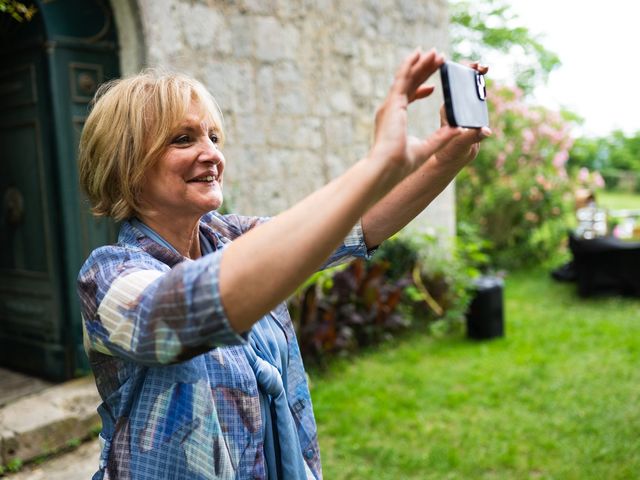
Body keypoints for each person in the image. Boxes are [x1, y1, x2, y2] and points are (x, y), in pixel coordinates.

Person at [77, 48, 490, 480]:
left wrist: (446, 160)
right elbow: (187, 310)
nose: (211, 154)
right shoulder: (107, 277)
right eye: (183, 139)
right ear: (126, 162)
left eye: (213, 137)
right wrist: (376, 165)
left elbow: (357, 226)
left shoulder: (229, 237)